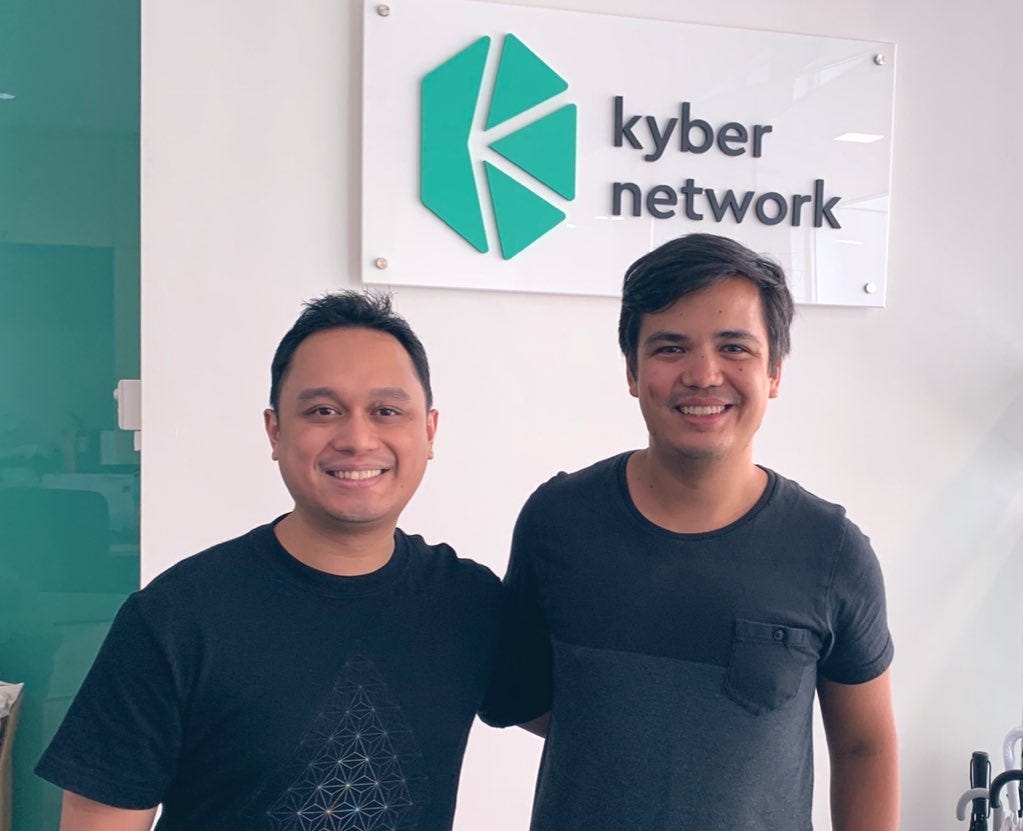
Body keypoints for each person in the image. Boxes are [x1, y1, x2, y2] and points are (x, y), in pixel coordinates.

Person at [37, 291, 503, 831]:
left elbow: (576, 718)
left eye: (386, 411)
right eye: (323, 411)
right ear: (275, 431)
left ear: (428, 431)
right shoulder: (176, 617)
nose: (357, 438)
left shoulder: (469, 602)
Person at [481, 233, 898, 830]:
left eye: (735, 347)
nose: (703, 374)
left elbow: (864, 746)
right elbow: (526, 699)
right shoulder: (559, 521)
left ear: (774, 373)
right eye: (671, 347)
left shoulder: (831, 551)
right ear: (632, 370)